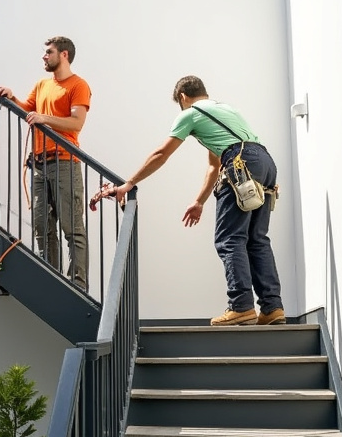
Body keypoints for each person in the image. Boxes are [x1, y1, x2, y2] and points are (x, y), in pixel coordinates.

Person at [102, 75, 285, 325]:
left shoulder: (190, 113)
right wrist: (199, 201)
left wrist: (130, 182)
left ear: (182, 97)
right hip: (264, 162)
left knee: (230, 239)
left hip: (240, 161)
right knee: (257, 240)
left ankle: (241, 306)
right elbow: (214, 166)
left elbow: (161, 153)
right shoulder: (223, 110)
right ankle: (272, 308)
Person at [0, 37, 92, 291]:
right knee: (41, 226)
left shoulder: (78, 85)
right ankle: (52, 279)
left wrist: (44, 118)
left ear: (64, 55)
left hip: (65, 163)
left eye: (49, 52)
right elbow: (27, 109)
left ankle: (77, 285)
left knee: (72, 227)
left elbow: (76, 123)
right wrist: (11, 96)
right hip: (38, 165)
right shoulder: (42, 84)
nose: (44, 57)